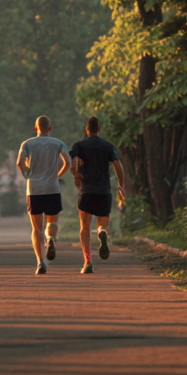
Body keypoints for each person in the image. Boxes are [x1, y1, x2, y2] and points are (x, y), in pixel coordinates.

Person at [69, 115, 125, 274]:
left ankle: (87, 261)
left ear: (87, 130)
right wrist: (121, 186)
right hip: (104, 191)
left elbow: (73, 164)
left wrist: (76, 177)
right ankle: (102, 234)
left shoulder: (79, 145)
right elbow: (117, 164)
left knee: (84, 227)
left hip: (86, 191)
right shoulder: (108, 146)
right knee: (103, 224)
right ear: (99, 129)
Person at [16, 115, 70, 275]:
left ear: (35, 128)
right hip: (52, 187)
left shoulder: (27, 143)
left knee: (36, 228)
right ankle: (51, 239)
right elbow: (69, 162)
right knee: (52, 222)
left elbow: (19, 162)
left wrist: (27, 173)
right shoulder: (58, 143)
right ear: (50, 128)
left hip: (34, 189)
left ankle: (40, 262)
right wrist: (58, 175)